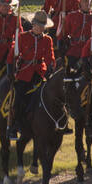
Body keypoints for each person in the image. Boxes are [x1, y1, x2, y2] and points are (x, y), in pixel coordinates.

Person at [7, 12, 56, 140]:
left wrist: (50, 68)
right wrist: (10, 71)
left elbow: (50, 58)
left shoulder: (47, 40)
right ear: (33, 24)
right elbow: (12, 56)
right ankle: (15, 126)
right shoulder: (22, 37)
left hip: (39, 73)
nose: (40, 28)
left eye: (42, 26)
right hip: (24, 73)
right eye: (38, 25)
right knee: (18, 99)